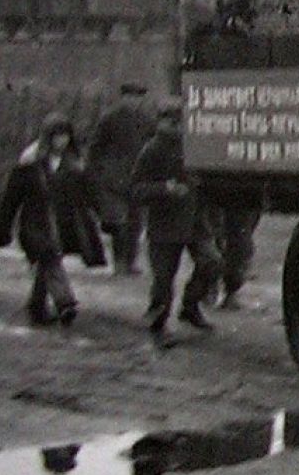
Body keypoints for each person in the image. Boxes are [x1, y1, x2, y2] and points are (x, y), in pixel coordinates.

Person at [0, 112, 105, 327]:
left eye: (65, 136)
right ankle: (65, 302)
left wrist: (102, 215)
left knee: (47, 261)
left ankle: (36, 307)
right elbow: (11, 199)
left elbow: (89, 193)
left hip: (62, 223)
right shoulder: (30, 163)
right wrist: (4, 230)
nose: (61, 141)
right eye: (57, 136)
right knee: (50, 257)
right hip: (34, 224)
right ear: (48, 137)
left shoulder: (74, 164)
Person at [130, 99, 223, 349]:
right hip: (165, 226)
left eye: (181, 122)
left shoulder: (196, 146)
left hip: (195, 222)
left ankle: (190, 306)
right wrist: (164, 188)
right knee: (163, 280)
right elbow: (136, 189)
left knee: (211, 262)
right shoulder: (152, 150)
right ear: (161, 122)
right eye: (172, 122)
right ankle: (158, 323)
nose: (178, 127)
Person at [85, 82, 155, 276]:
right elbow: (95, 147)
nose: (134, 101)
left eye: (138, 97)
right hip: (114, 178)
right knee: (119, 222)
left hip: (139, 176)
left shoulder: (147, 120)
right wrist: (96, 172)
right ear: (123, 97)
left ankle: (130, 262)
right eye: (130, 97)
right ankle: (120, 262)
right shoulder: (109, 118)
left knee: (136, 222)